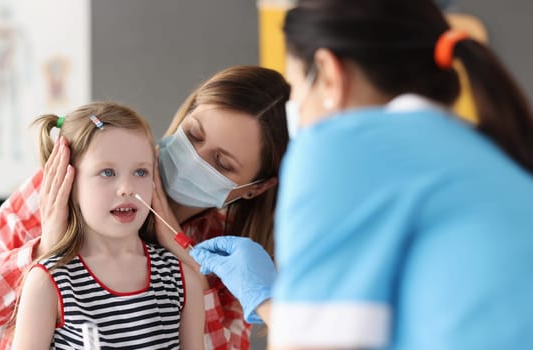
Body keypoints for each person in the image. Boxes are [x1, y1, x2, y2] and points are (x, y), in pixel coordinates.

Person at [190, 0, 533, 349]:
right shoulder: (493, 154)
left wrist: (270, 301)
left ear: (329, 73)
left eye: (295, 88)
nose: (299, 115)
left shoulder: (343, 145)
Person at [0, 66, 290, 349]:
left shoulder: (227, 259)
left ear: (255, 188)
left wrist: (190, 268)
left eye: (221, 163)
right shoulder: (63, 186)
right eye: (193, 134)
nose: (195, 157)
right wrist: (48, 248)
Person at [10, 101, 204, 349]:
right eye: (107, 173)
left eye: (141, 172)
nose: (127, 189)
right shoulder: (47, 281)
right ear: (70, 184)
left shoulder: (183, 279)